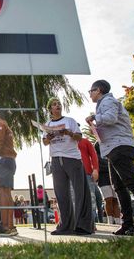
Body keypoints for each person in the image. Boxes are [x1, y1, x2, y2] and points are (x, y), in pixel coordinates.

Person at [85, 80, 134, 236]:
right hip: (113, 148)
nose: (90, 94)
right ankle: (128, 224)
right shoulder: (103, 104)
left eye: (91, 91)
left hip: (120, 147)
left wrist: (94, 117)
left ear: (98, 90)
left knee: (132, 183)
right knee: (119, 187)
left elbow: (111, 118)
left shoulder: (108, 101)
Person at [43, 98, 92, 235]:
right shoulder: (47, 124)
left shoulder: (70, 121)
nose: (57, 105)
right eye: (54, 104)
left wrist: (68, 133)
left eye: (59, 104)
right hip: (56, 160)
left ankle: (84, 226)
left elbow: (79, 138)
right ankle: (65, 226)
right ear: (50, 109)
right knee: (61, 193)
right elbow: (45, 142)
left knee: (79, 192)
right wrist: (50, 137)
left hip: (72, 158)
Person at [95, 142, 121, 224]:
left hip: (114, 179)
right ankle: (110, 220)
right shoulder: (97, 156)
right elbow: (100, 167)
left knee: (116, 200)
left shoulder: (110, 154)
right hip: (103, 180)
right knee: (108, 199)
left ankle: (118, 220)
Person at [77, 135, 100, 229]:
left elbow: (93, 155)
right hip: (73, 175)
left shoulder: (85, 141)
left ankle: (91, 223)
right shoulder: (67, 143)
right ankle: (77, 223)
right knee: (75, 199)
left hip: (87, 173)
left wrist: (95, 169)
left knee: (91, 198)